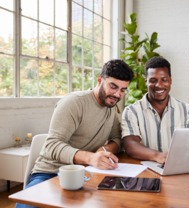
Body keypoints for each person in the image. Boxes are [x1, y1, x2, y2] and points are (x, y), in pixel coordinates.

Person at [16, 59, 134, 208]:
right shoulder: (74, 103)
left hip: (86, 172)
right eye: (113, 87)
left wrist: (104, 150)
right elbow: (53, 144)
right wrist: (90, 157)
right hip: (52, 171)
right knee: (27, 206)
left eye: (123, 90)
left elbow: (117, 138)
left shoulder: (110, 108)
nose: (117, 94)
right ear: (99, 80)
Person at [121, 57, 189, 164]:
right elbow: (130, 144)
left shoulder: (187, 111)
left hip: (178, 167)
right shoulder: (131, 111)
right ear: (146, 81)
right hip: (144, 171)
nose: (159, 85)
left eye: (164, 79)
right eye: (153, 80)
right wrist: (158, 156)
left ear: (170, 80)